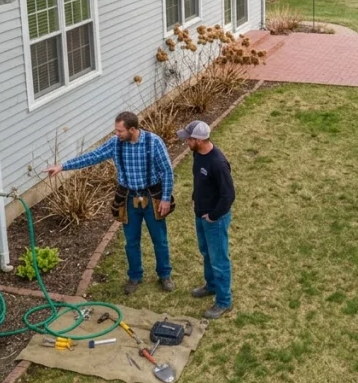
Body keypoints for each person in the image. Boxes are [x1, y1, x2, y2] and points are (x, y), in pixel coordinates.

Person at [46, 112, 174, 296]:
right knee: (131, 241)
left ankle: (164, 275)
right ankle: (135, 276)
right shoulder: (116, 144)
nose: (117, 134)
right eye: (116, 130)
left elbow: (167, 171)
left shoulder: (153, 142)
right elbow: (93, 156)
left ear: (132, 129)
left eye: (120, 131)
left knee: (159, 239)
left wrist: (165, 198)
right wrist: (62, 166)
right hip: (128, 199)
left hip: (152, 197)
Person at [177, 120, 235, 319]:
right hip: (200, 215)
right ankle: (211, 286)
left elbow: (228, 195)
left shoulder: (217, 163)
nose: (186, 142)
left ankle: (224, 301)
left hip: (214, 220)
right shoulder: (197, 154)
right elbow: (200, 181)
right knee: (206, 253)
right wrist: (196, 199)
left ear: (199, 140)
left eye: (189, 139)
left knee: (219, 259)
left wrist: (213, 216)